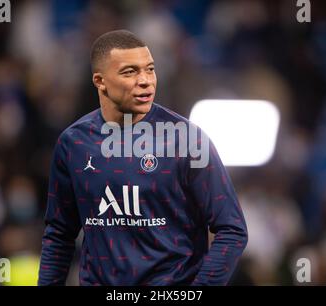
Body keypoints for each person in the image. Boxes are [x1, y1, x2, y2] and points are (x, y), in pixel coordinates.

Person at [38, 30, 248, 286]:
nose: (146, 80)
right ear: (99, 80)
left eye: (150, 69)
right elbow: (59, 234)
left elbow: (232, 229)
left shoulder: (186, 140)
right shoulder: (74, 144)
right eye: (130, 72)